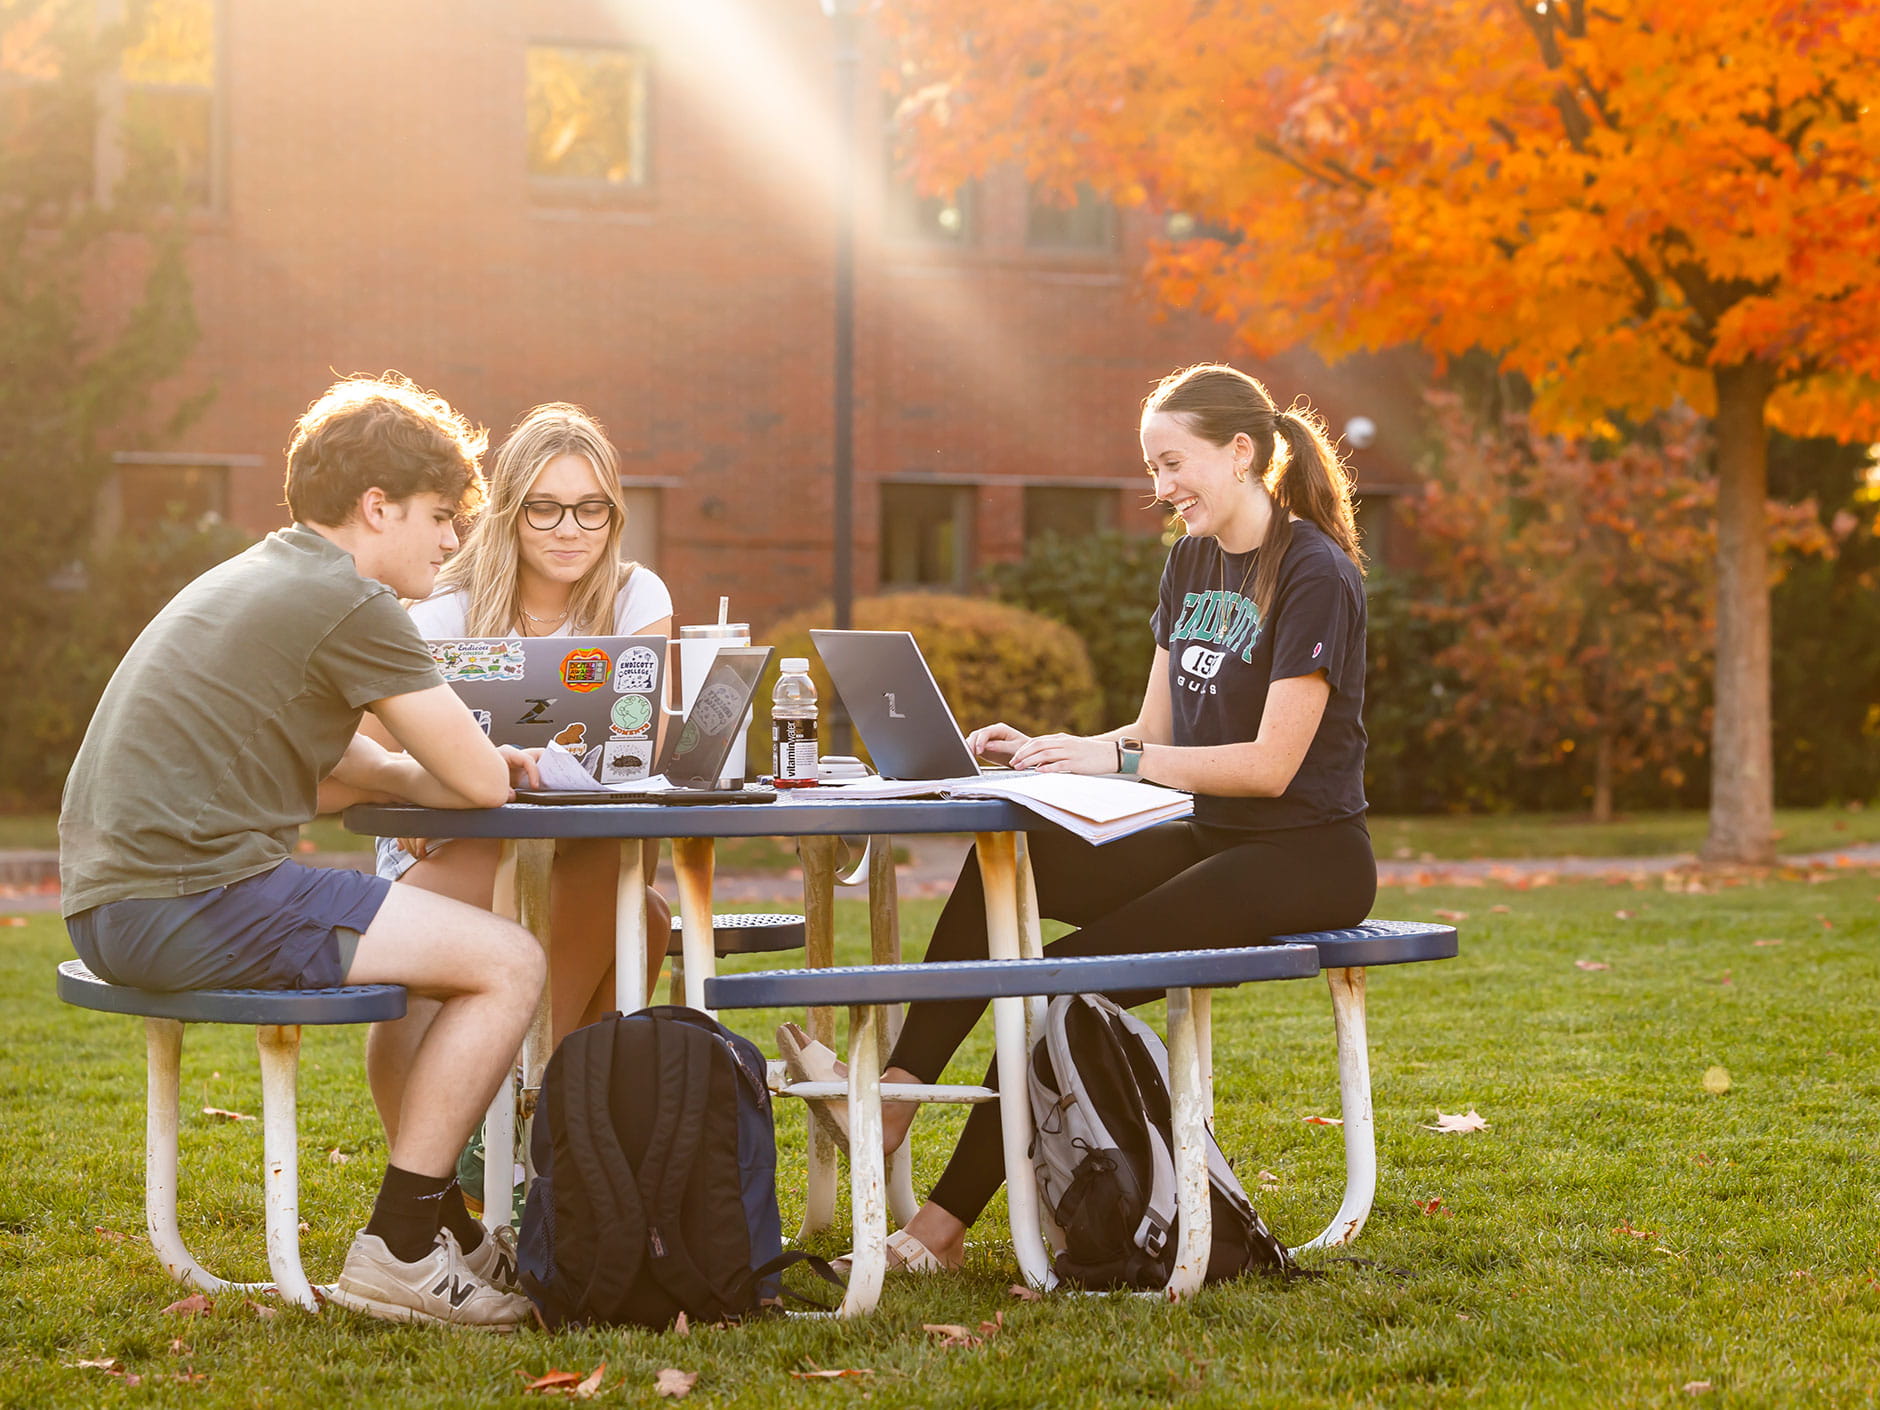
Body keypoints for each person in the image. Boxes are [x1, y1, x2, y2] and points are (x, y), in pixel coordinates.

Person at [787, 363, 1376, 1273]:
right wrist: (1054, 748)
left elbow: (1268, 767)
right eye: (1150, 467)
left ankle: (936, 1233)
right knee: (1008, 868)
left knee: (1057, 978)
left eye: (1173, 463)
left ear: (1242, 453)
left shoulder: (1314, 572)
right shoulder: (1190, 561)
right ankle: (899, 1093)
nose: (1159, 488)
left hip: (1305, 855)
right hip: (1212, 835)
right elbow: (1152, 732)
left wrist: (1122, 759)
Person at [60, 375, 547, 1328]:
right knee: (507, 960)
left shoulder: (262, 575)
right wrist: (460, 765)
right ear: (378, 506)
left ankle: (439, 1216)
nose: (454, 542)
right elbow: (483, 785)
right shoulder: (350, 602)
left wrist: (415, 775)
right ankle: (403, 1247)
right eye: (443, 516)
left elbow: (323, 775)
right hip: (189, 898)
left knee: (451, 960)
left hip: (117, 904)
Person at [363, 404, 673, 1058]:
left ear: (614, 516)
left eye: (591, 509)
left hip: (587, 840)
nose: (570, 530)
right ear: (511, 512)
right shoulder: (446, 608)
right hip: (461, 841)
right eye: (545, 509)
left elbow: (647, 752)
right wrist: (434, 781)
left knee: (630, 888)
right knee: (633, 909)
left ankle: (532, 1109)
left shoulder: (634, 596)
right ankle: (531, 1108)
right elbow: (377, 746)